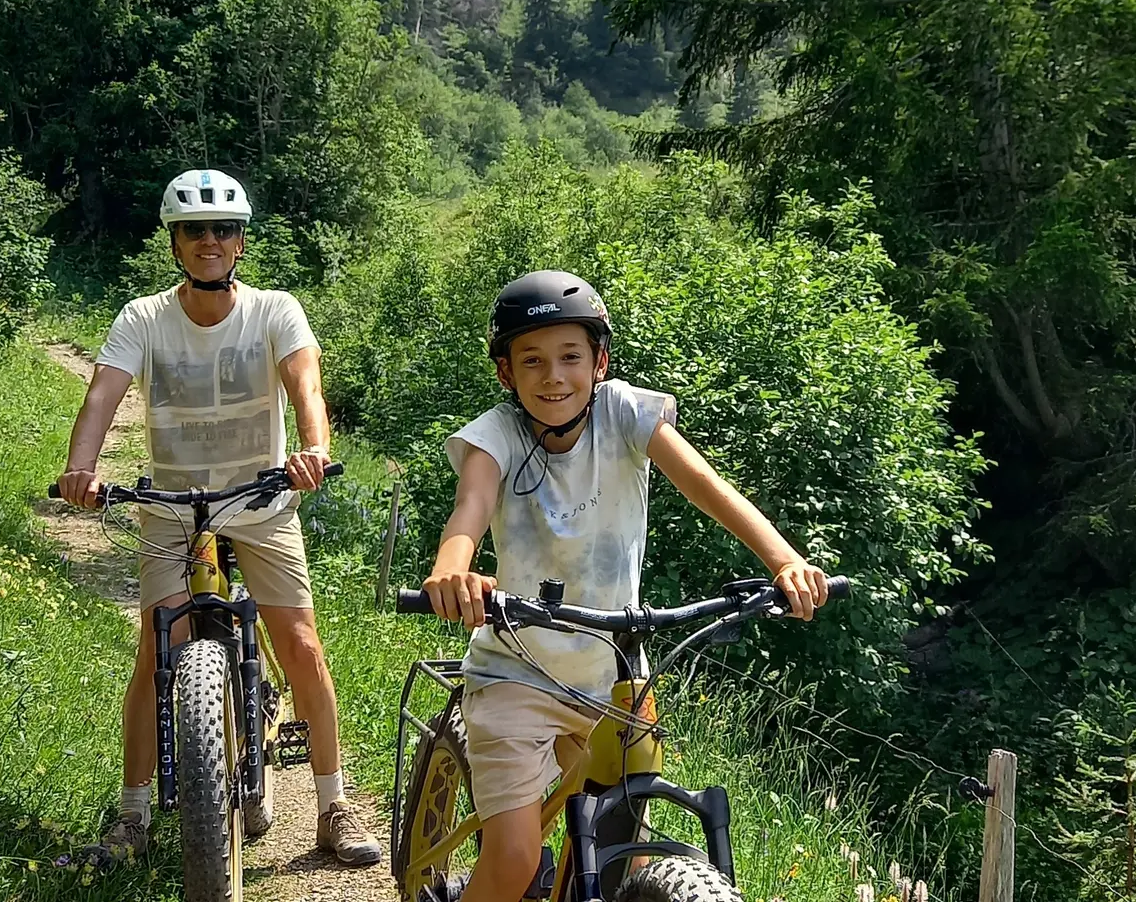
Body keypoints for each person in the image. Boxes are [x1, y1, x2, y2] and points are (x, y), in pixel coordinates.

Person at [422, 269, 832, 902]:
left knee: (617, 856)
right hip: (516, 672)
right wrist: (453, 567)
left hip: (618, 672)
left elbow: (705, 485)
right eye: (531, 360)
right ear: (506, 373)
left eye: (570, 357)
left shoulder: (625, 414)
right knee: (513, 861)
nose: (553, 375)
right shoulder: (495, 435)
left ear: (600, 362)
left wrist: (783, 560)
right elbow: (470, 508)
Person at [55, 169, 381, 868]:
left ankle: (332, 805)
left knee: (300, 645)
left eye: (224, 229)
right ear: (175, 242)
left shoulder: (274, 310)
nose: (210, 241)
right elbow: (102, 396)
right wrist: (81, 469)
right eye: (195, 230)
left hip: (260, 499)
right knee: (156, 649)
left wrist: (314, 450)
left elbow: (305, 384)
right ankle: (133, 816)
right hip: (171, 504)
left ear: (241, 241)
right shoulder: (143, 318)